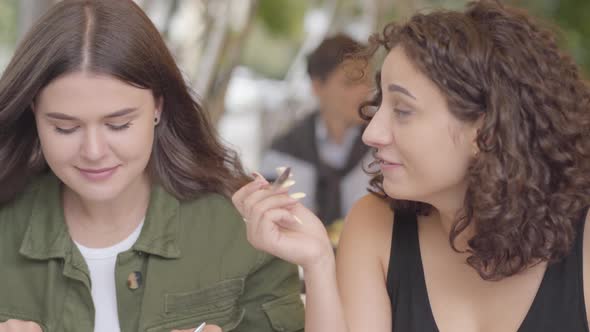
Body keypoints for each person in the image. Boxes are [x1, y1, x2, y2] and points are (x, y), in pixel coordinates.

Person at [232, 1, 590, 331]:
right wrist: (319, 263)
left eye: (402, 111)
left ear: (487, 131)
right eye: (380, 104)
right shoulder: (376, 224)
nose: (371, 132)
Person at [0, 1, 304, 331]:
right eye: (65, 128)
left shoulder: (243, 231)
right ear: (33, 112)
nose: (93, 151)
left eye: (119, 124)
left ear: (158, 106)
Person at [260, 34, 372, 229]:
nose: (363, 92)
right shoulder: (284, 154)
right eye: (350, 83)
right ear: (317, 86)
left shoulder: (383, 150)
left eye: (367, 81)